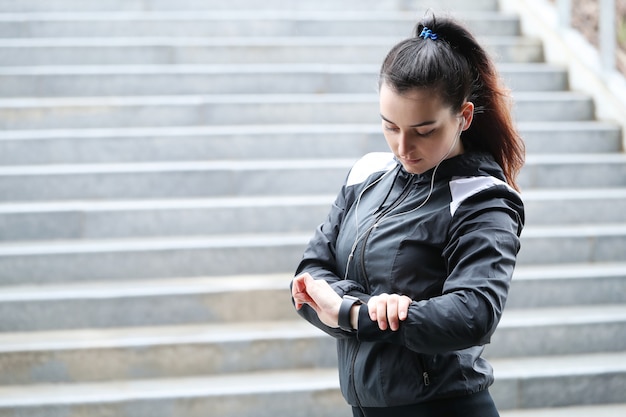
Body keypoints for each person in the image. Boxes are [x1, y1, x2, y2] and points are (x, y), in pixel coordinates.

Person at [290, 14, 525, 417]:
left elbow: (474, 313)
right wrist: (362, 311)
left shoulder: (482, 199)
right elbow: (311, 275)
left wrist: (349, 312)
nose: (403, 146)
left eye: (424, 130)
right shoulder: (367, 174)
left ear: (464, 117)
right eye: (390, 126)